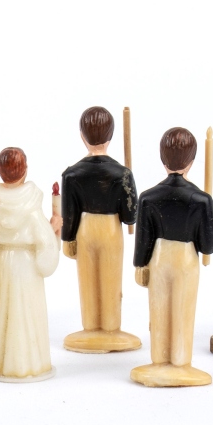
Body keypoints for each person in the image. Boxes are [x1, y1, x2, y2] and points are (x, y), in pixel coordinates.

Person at [131, 128, 213, 387]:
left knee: (158, 308)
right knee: (183, 309)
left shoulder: (148, 197)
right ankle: (180, 360)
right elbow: (209, 245)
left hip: (159, 258)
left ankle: (159, 358)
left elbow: (143, 238)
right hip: (186, 260)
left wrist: (140, 264)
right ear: (192, 160)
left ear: (162, 158)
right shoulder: (201, 199)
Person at [59, 106, 139, 352]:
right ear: (111, 136)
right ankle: (110, 326)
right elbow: (130, 216)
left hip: (85, 229)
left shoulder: (72, 174)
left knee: (87, 279)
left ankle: (91, 325)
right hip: (110, 229)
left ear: (82, 136)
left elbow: (69, 212)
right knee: (111, 279)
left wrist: (68, 239)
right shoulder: (122, 173)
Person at [0, 148, 61, 382]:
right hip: (27, 267)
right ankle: (30, 364)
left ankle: (1, 364)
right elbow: (44, 245)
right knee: (27, 312)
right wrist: (55, 228)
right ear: (25, 170)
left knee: (5, 312)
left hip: (4, 265)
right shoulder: (31, 203)